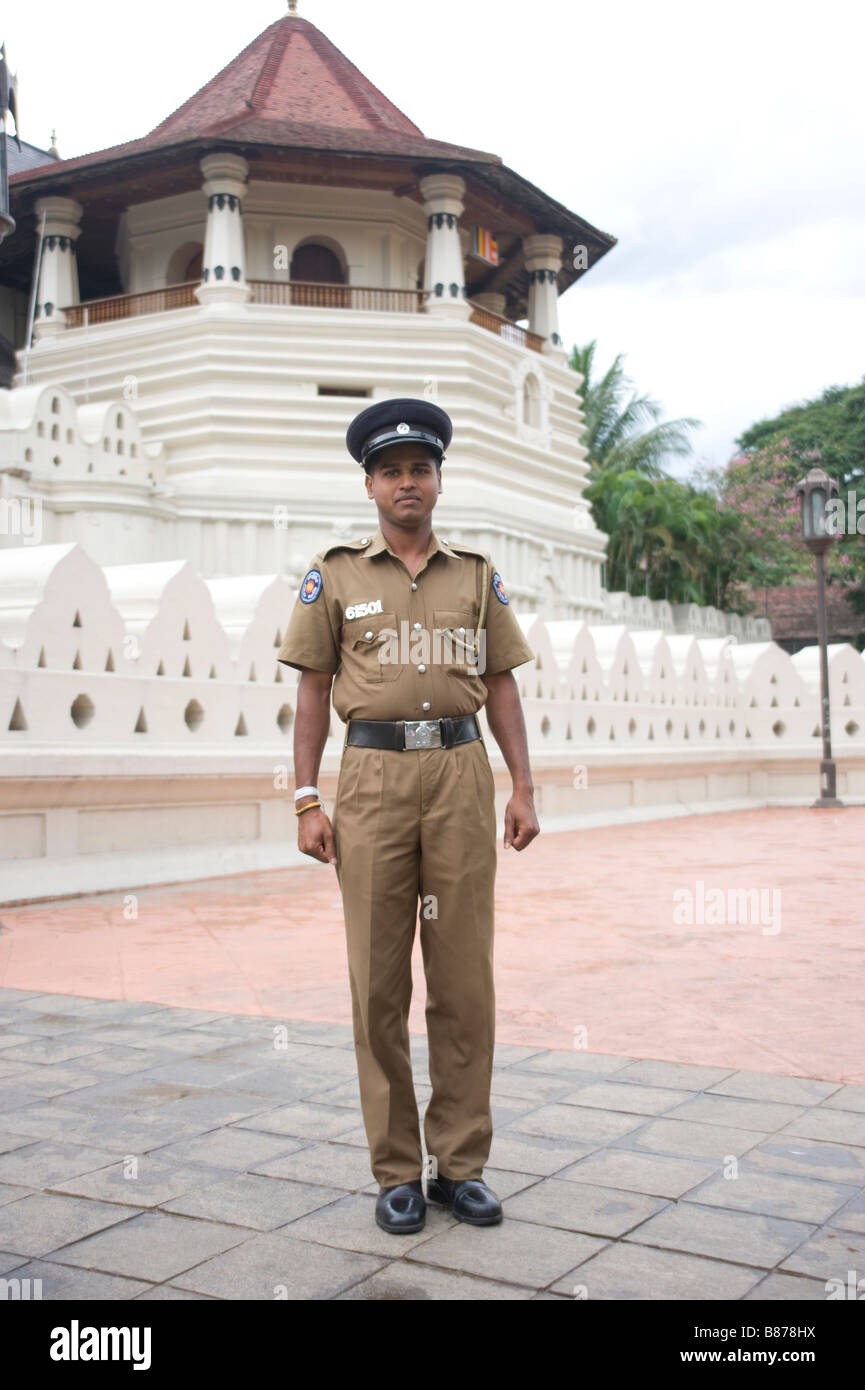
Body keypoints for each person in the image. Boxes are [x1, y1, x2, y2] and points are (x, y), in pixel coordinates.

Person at [277, 397, 540, 1234]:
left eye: (419, 470)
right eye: (390, 472)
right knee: (377, 986)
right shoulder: (334, 575)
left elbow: (501, 684)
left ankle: (459, 1166)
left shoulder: (474, 575)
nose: (406, 483)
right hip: (372, 779)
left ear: (436, 480)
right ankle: (394, 1170)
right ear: (369, 485)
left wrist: (522, 786)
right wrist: (307, 796)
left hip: (461, 775)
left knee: (464, 979)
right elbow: (311, 692)